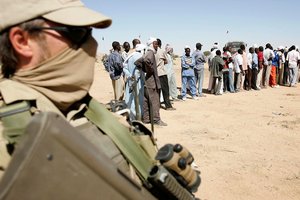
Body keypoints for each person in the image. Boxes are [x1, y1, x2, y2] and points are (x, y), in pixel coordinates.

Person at [0, 0, 143, 180]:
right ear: (22, 41)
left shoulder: (85, 109)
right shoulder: (10, 135)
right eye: (76, 32)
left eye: (89, 32)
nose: (92, 44)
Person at [134, 38, 167, 126]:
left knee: (146, 101)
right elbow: (145, 61)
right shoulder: (150, 52)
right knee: (155, 101)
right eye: (155, 44)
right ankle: (156, 119)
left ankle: (146, 119)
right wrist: (150, 70)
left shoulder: (146, 52)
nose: (157, 46)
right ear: (152, 44)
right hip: (152, 81)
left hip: (147, 81)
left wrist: (145, 69)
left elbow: (137, 62)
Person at [123, 44, 146, 120]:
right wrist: (135, 79)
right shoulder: (139, 56)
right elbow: (137, 71)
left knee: (130, 99)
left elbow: (124, 68)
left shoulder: (130, 56)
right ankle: (137, 117)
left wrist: (130, 76)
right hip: (137, 82)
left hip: (130, 81)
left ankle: (130, 117)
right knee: (137, 100)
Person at [155, 38, 175, 110]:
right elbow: (166, 61)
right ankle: (168, 106)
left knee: (157, 90)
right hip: (162, 72)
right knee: (165, 90)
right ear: (160, 44)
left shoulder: (152, 51)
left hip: (155, 73)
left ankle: (157, 104)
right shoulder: (162, 51)